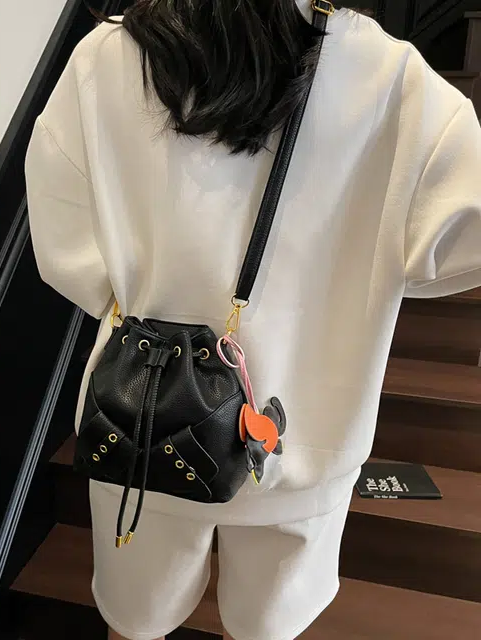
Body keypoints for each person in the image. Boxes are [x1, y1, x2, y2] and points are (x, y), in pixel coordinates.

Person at [25, 1, 481, 638]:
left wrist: (142, 295)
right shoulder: (392, 79)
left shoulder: (104, 59)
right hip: (306, 441)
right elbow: (457, 245)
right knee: (270, 628)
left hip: (143, 420)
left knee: (134, 620)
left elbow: (65, 242)